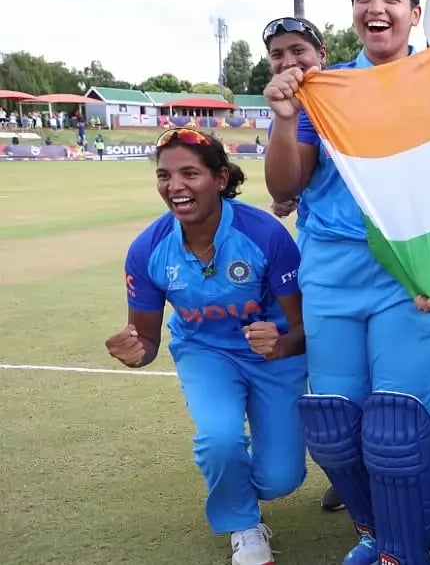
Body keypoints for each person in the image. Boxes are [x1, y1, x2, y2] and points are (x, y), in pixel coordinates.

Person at [260, 0, 430, 562]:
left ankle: (407, 547)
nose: (375, 8)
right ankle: (378, 533)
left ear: (414, 12)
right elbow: (285, 187)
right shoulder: (327, 89)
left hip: (409, 274)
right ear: (352, 10)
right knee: (335, 427)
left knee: (397, 426)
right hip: (330, 271)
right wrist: (288, 117)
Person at [107, 127, 307, 565]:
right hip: (205, 352)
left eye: (189, 174)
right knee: (219, 439)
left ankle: (245, 486)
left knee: (281, 479)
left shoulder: (265, 234)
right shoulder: (148, 249)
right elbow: (147, 341)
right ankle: (243, 525)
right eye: (164, 176)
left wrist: (283, 344)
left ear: (220, 179)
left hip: (272, 356)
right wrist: (135, 350)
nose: (175, 186)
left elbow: (303, 328)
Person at [259, 15, 346, 513]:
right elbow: (283, 185)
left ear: (322, 54)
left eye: (299, 51)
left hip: (379, 260)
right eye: (278, 55)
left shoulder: (349, 90)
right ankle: (345, 472)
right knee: (332, 379)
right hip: (322, 257)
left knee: (388, 382)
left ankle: (404, 471)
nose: (289, 62)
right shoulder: (292, 110)